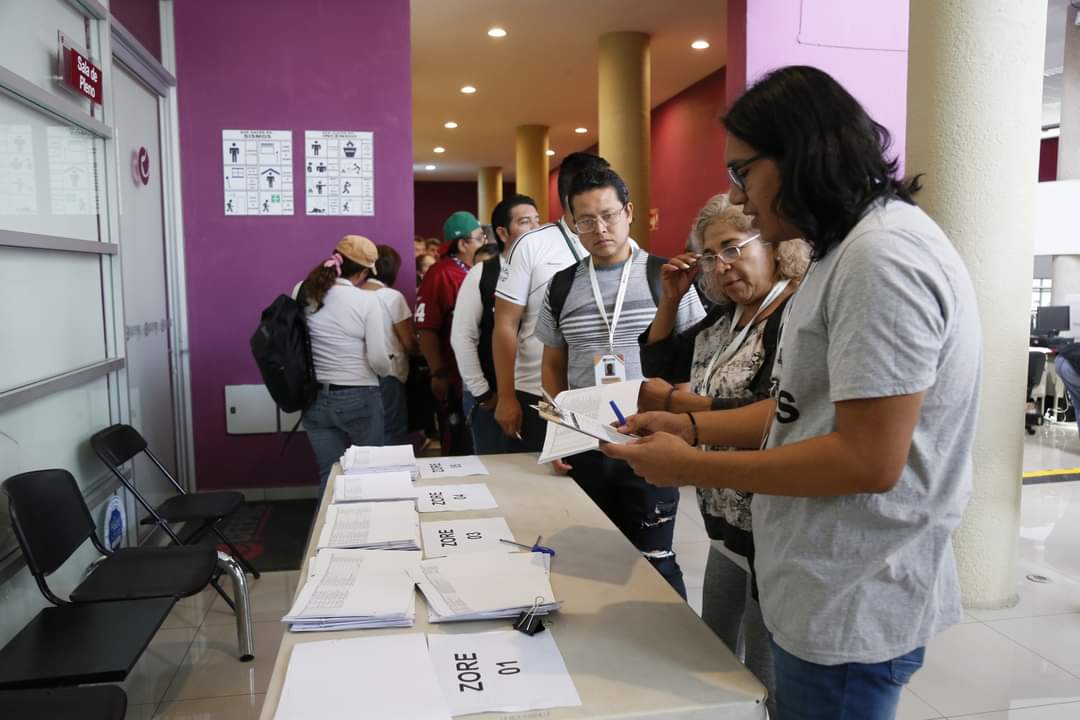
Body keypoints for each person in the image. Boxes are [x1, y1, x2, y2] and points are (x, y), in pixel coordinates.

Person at [602, 66, 982, 720]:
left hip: (851, 592)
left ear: (800, 155)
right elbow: (796, 413)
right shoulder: (845, 253)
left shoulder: (881, 258)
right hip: (816, 580)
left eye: (743, 173)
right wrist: (692, 430)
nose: (741, 198)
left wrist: (690, 466)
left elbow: (868, 460)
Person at [637, 192, 810, 718]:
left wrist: (684, 408)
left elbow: (772, 410)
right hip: (724, 516)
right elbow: (660, 360)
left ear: (776, 247)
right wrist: (670, 298)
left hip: (771, 523)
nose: (723, 266)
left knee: (763, 676)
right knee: (714, 649)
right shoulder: (730, 318)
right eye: (711, 257)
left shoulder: (793, 313)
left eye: (733, 248)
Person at [536, 165, 705, 598]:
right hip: (588, 442)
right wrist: (560, 434)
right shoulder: (560, 287)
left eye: (609, 215)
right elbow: (553, 366)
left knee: (655, 562)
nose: (600, 228)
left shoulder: (667, 277)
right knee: (593, 564)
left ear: (629, 212)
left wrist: (689, 435)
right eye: (586, 220)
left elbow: (696, 366)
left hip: (651, 438)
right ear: (572, 225)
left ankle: (674, 652)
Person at [493, 153, 610, 451]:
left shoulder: (619, 243)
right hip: (538, 392)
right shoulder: (532, 244)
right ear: (568, 199)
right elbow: (505, 324)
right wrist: (506, 396)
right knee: (548, 489)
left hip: (603, 390)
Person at [298, 235, 391, 493]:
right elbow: (377, 359)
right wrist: (387, 370)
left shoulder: (303, 291)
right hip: (359, 395)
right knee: (369, 473)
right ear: (363, 273)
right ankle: (369, 530)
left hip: (314, 397)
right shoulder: (367, 301)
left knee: (329, 477)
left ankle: (326, 533)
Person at [451, 195, 542, 453]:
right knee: (498, 470)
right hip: (496, 395)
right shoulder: (483, 274)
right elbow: (462, 336)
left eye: (538, 220)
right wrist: (482, 392)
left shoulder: (550, 270)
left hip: (541, 394)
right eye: (525, 222)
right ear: (502, 232)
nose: (536, 228)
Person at [415, 211, 487, 455]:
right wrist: (438, 373)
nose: (484, 242)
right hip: (455, 377)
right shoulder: (441, 273)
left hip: (481, 375)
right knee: (459, 443)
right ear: (463, 243)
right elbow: (427, 329)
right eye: (480, 237)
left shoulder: (475, 270)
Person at [362, 245, 417, 446]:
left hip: (357, 375)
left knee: (365, 433)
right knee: (391, 432)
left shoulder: (351, 295)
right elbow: (408, 342)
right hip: (388, 372)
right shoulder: (392, 297)